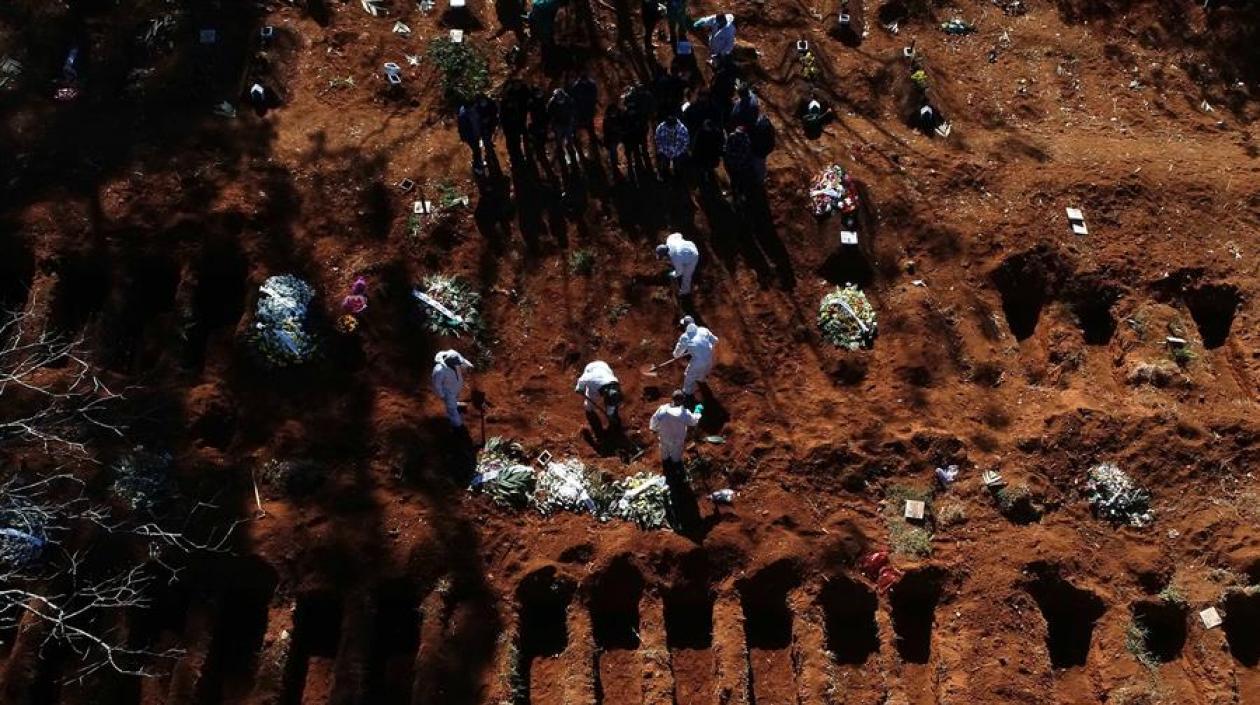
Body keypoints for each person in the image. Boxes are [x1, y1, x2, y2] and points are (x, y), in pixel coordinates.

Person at [649, 390, 702, 473]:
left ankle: (665, 462)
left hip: (664, 438)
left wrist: (654, 428)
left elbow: (654, 420)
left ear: (672, 399)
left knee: (664, 452)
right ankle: (675, 466)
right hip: (677, 441)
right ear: (682, 400)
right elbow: (693, 421)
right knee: (676, 456)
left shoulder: (662, 409)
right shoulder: (684, 414)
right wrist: (697, 412)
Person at [673, 315, 718, 395]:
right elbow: (715, 340)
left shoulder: (684, 337)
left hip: (698, 362)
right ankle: (701, 379)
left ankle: (687, 393)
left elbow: (678, 353)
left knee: (689, 375)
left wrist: (675, 355)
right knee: (703, 372)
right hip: (711, 358)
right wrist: (703, 346)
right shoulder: (703, 330)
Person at [431, 350, 474, 428]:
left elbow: (462, 360)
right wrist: (442, 395)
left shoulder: (453, 354)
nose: (458, 366)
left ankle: (454, 408)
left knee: (454, 402)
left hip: (455, 389)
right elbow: (437, 384)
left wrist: (469, 366)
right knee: (452, 409)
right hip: (448, 392)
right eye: (456, 364)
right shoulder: (439, 370)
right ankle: (458, 426)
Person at [574, 360, 624, 426]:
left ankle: (611, 413)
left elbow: (612, 399)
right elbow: (582, 379)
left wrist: (610, 415)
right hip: (591, 368)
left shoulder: (615, 383)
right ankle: (589, 409)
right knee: (591, 399)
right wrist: (580, 388)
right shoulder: (593, 382)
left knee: (612, 402)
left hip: (604, 367)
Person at [499, 79, 531, 162]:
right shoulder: (508, 97)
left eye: (518, 84)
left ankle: (526, 154)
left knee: (524, 137)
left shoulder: (524, 91)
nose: (516, 86)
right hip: (511, 121)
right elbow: (503, 112)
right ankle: (516, 156)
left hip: (522, 117)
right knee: (513, 139)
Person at [547, 87, 579, 166]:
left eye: (561, 98)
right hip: (558, 124)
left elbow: (573, 109)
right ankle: (561, 154)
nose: (560, 100)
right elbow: (549, 113)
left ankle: (572, 155)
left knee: (569, 139)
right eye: (558, 98)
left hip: (568, 122)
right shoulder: (551, 103)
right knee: (559, 140)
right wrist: (553, 123)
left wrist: (572, 118)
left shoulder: (568, 100)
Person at [654, 114, 689, 179]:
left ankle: (678, 178)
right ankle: (665, 177)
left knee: (679, 169)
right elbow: (657, 140)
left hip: (678, 153)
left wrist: (679, 152)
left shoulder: (682, 128)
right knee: (663, 167)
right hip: (664, 152)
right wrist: (661, 150)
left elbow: (685, 143)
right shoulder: (660, 127)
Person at [474, 93, 502, 172]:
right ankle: (489, 153)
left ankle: (490, 151)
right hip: (482, 126)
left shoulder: (490, 103)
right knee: (486, 140)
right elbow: (476, 116)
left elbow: (495, 112)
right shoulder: (477, 106)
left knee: (489, 138)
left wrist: (490, 118)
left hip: (490, 125)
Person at [570, 73, 599, 147]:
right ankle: (577, 141)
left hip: (589, 108)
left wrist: (593, 103)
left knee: (590, 125)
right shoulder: (576, 86)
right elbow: (574, 97)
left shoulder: (591, 84)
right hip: (580, 109)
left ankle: (593, 141)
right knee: (579, 125)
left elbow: (594, 94)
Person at [456, 101, 485, 173]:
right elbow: (462, 128)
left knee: (477, 150)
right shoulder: (464, 115)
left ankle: (478, 162)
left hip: (475, 134)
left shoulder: (470, 110)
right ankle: (477, 166)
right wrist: (464, 137)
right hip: (471, 136)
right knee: (476, 150)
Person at [749, 112, 775, 184]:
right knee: (761, 164)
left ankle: (759, 180)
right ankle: (760, 179)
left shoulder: (755, 126)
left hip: (758, 150)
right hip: (764, 149)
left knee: (758, 164)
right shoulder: (766, 123)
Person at [603, 102, 626, 176]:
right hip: (612, 139)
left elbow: (622, 125)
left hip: (618, 136)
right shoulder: (607, 119)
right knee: (613, 153)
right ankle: (615, 167)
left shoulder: (619, 117)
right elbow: (607, 131)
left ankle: (617, 166)